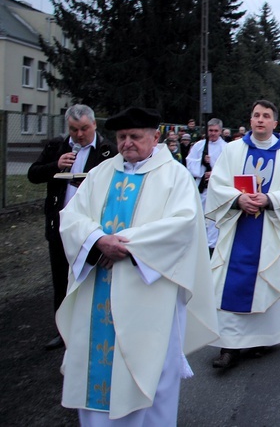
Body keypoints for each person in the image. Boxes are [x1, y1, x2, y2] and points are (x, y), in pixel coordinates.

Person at [57, 106, 218, 423]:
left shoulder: (175, 177)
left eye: (135, 136)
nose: (127, 143)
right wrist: (96, 240)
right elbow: (71, 217)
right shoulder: (101, 173)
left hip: (150, 296)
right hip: (98, 292)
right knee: (95, 369)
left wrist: (124, 243)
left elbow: (182, 226)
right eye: (121, 137)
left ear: (155, 137)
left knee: (151, 372)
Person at [205, 100, 280, 369]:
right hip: (238, 225)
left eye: (266, 116)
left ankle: (262, 338)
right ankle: (229, 346)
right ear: (250, 120)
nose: (260, 120)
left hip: (270, 227)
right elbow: (217, 184)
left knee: (265, 281)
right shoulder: (233, 150)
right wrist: (238, 200)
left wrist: (269, 199)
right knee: (230, 282)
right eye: (256, 115)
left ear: (275, 123)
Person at [27, 104, 117, 350]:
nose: (79, 135)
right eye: (74, 129)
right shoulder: (58, 147)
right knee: (61, 280)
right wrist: (55, 165)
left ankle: (92, 328)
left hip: (93, 228)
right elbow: (33, 174)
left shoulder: (108, 150)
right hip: (60, 226)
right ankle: (63, 331)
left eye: (84, 128)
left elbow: (117, 186)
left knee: (90, 278)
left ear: (94, 125)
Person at [187, 118, 228, 252]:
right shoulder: (199, 145)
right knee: (200, 215)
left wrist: (214, 173)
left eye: (216, 131)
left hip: (217, 188)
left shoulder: (226, 148)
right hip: (202, 186)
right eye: (210, 130)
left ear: (220, 131)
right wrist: (201, 162)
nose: (213, 133)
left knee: (214, 218)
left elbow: (229, 168)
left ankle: (213, 247)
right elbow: (189, 162)